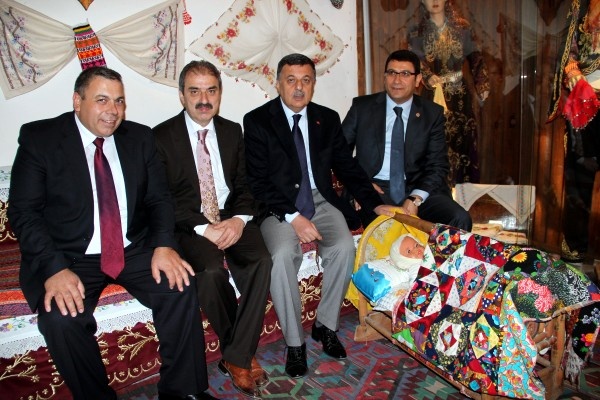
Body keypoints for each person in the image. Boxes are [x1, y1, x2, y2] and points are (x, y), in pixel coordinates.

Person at [7, 67, 215, 400]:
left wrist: (164, 245)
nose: (113, 110)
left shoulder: (140, 138)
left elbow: (159, 199)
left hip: (132, 247)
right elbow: (24, 213)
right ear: (77, 101)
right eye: (102, 100)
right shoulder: (41, 139)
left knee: (180, 286)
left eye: (119, 101)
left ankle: (182, 391)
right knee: (60, 319)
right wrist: (53, 268)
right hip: (69, 256)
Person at [243, 53, 395, 378]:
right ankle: (294, 342)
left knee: (343, 246)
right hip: (278, 206)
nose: (299, 87)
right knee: (281, 255)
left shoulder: (326, 118)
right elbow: (257, 182)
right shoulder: (257, 121)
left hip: (321, 200)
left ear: (313, 84)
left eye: (306, 80)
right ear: (278, 83)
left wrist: (373, 204)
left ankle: (325, 325)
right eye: (291, 80)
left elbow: (347, 167)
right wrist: (293, 217)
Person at [153, 60, 272, 399]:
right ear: (182, 96)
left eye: (211, 90)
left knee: (262, 260)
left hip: (232, 216)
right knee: (208, 271)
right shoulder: (161, 136)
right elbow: (162, 197)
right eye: (195, 91)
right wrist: (204, 228)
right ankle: (241, 355)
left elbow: (246, 185)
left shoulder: (233, 131)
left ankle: (234, 355)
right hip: (191, 224)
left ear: (220, 93)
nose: (204, 99)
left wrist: (239, 220)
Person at [342, 49, 472, 231]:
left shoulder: (432, 113)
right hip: (375, 188)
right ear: (385, 77)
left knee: (459, 218)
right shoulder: (362, 107)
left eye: (405, 74)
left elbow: (437, 164)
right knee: (384, 227)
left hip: (418, 188)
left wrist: (416, 197)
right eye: (392, 73)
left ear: (418, 80)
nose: (397, 80)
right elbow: (339, 154)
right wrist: (362, 185)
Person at [408, 0, 489, 185]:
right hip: (432, 95)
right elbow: (413, 59)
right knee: (434, 143)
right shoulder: (416, 32)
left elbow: (476, 57)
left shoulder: (463, 28)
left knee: (463, 142)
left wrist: (482, 83)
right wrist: (427, 76)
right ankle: (436, 190)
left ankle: (462, 190)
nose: (435, 1)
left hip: (460, 96)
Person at [548, 0, 600, 262]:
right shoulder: (581, 5)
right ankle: (574, 250)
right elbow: (568, 49)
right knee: (579, 177)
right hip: (586, 99)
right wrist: (572, 70)